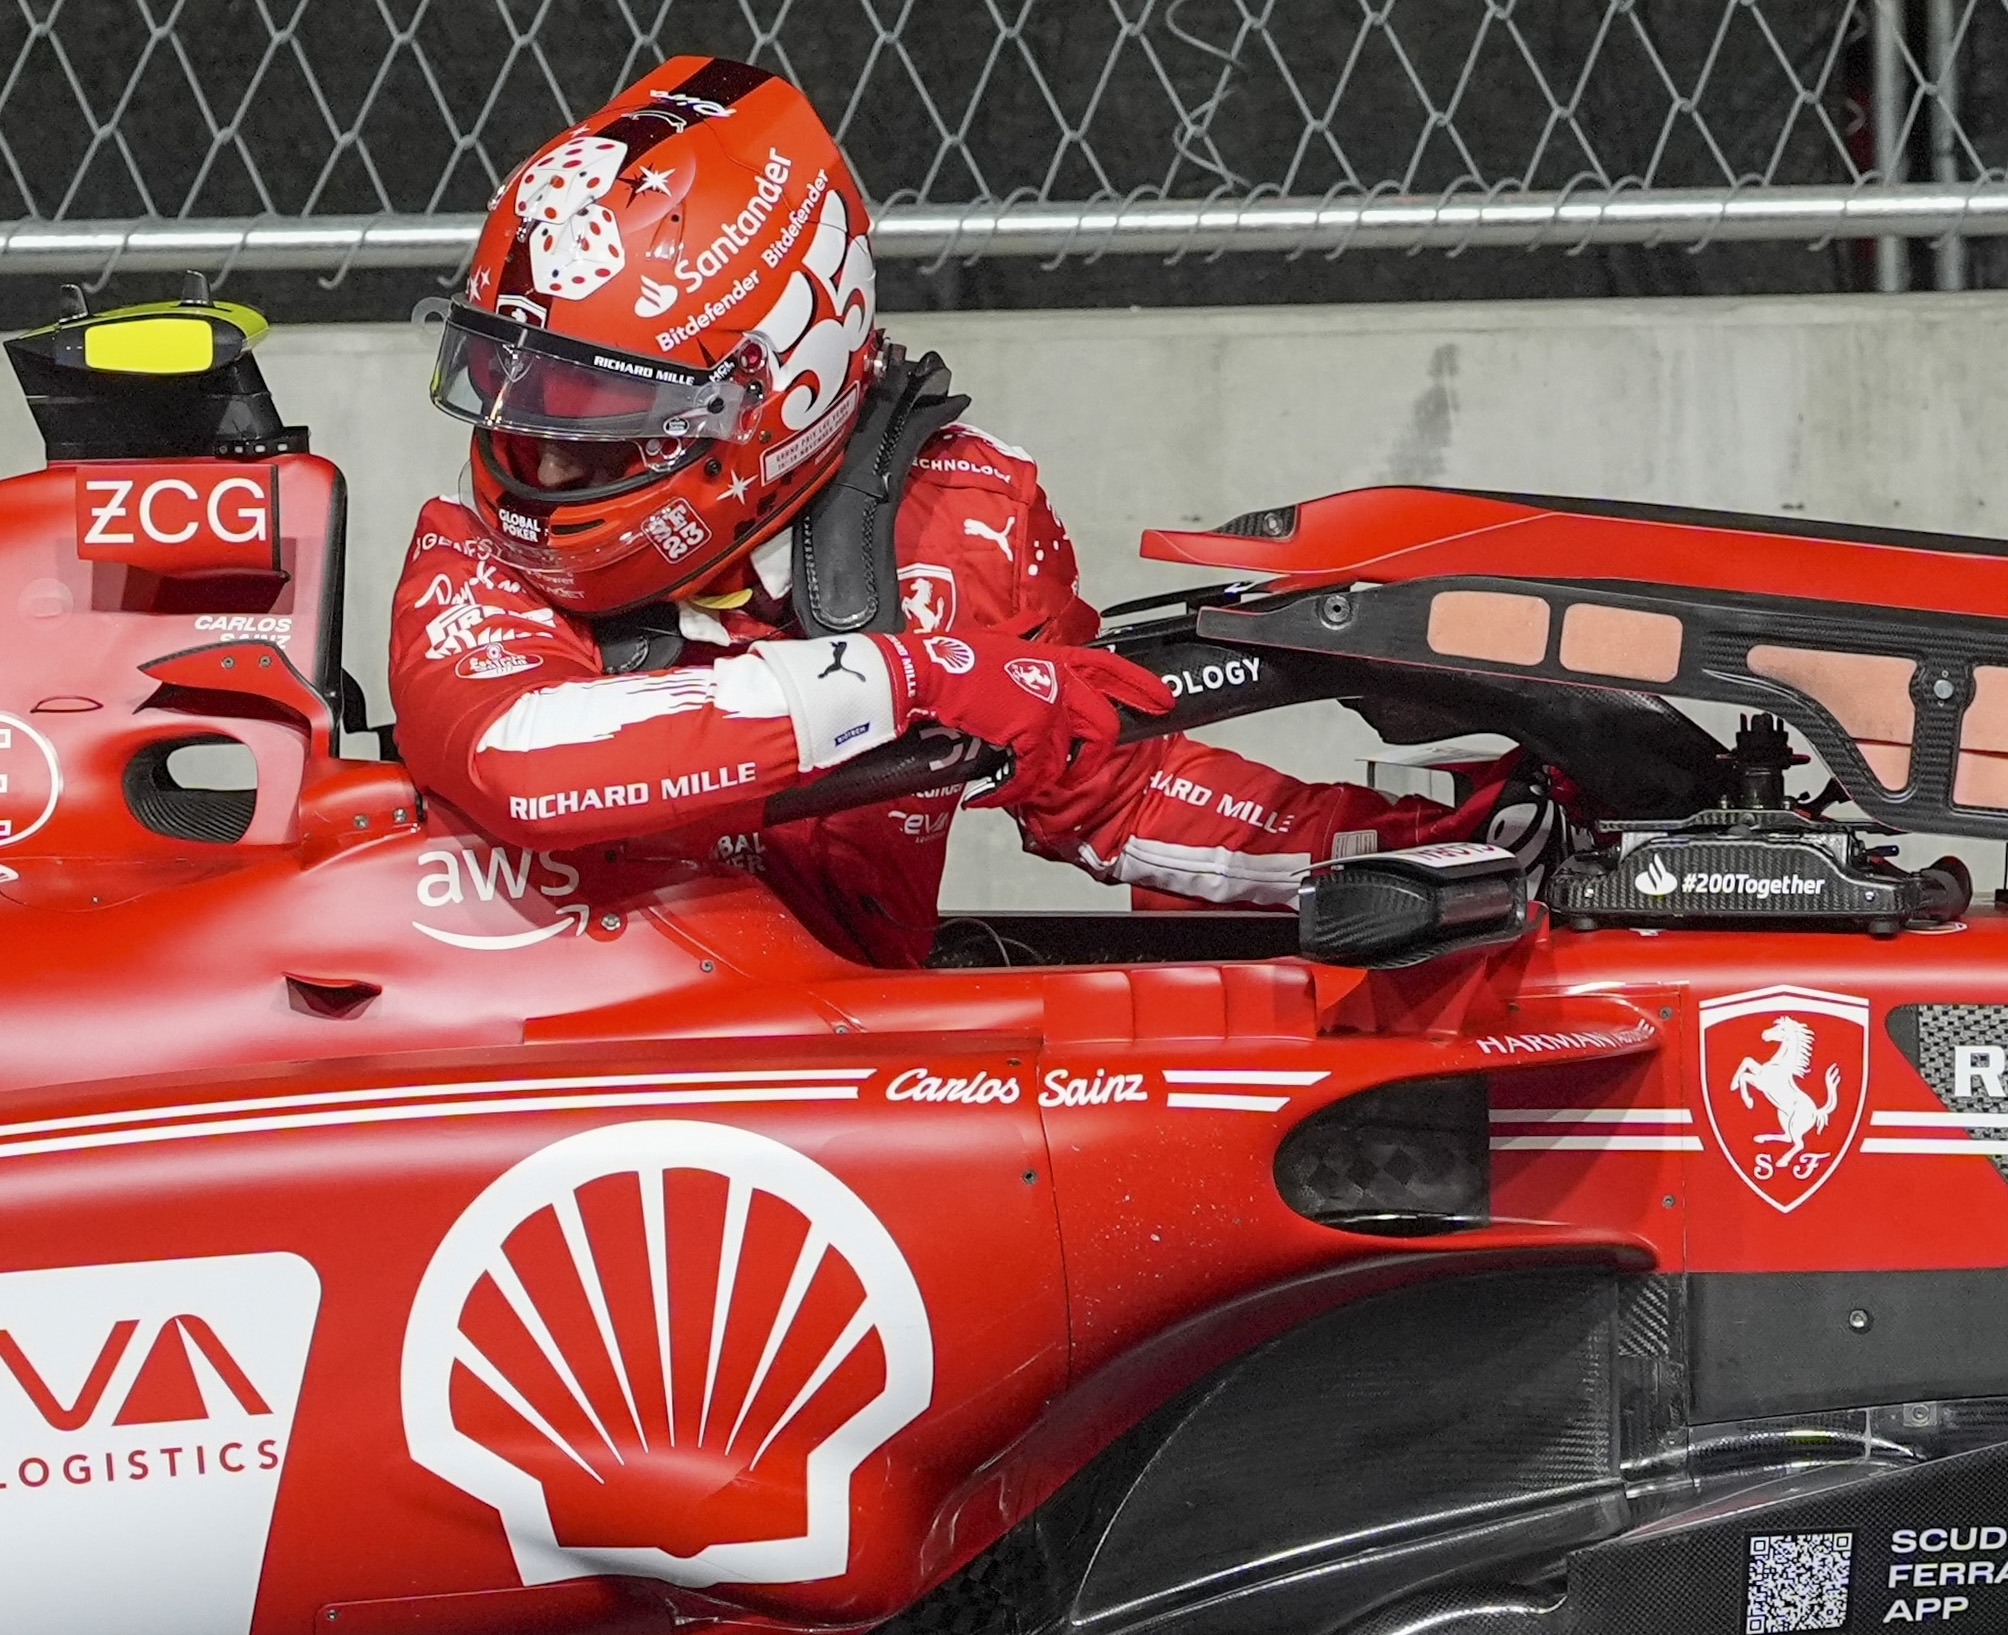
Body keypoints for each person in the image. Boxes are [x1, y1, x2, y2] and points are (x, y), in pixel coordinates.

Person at [391, 55, 1547, 968]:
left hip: (814, 1085)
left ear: (781, 381)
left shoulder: (965, 520)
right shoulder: (477, 550)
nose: (536, 448)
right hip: (529, 1062)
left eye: (600, 408)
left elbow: (1112, 785)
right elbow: (521, 763)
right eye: (514, 388)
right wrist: (911, 680)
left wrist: (1430, 848)